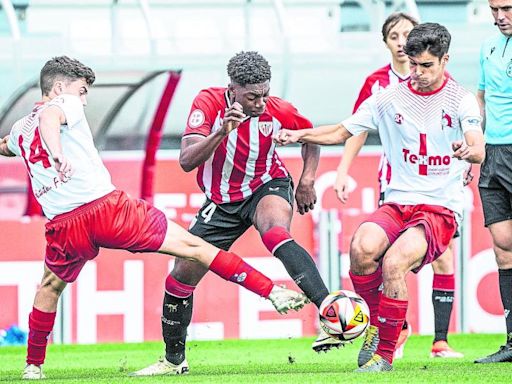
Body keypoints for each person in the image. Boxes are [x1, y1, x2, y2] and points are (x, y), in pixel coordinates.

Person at [0, 56, 309, 380]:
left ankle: (32, 367)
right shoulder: (63, 103)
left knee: (49, 286)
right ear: (60, 87)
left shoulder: (21, 129)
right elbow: (51, 116)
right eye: (82, 91)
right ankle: (271, 291)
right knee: (193, 246)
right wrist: (57, 150)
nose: (84, 99)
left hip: (64, 225)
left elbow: (7, 146)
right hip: (106, 210)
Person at [274, 23, 485, 372]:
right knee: (361, 248)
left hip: (439, 208)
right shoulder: (389, 95)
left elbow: (477, 144)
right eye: (414, 64)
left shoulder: (459, 99)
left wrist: (470, 149)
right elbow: (342, 131)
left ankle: (383, 357)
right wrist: (297, 134)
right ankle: (382, 324)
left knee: (394, 263)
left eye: (427, 66)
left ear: (445, 60)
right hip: (398, 200)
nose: (417, 73)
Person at [131, 51, 334, 376]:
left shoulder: (277, 108)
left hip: (267, 184)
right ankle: (173, 361)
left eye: (265, 94)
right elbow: (186, 161)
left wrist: (308, 178)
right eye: (253, 96)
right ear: (232, 90)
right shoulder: (208, 104)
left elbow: (310, 136)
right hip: (222, 201)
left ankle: (329, 313)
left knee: (275, 233)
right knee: (181, 275)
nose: (261, 103)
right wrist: (222, 131)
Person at [335, 12, 464, 360]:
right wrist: (342, 170)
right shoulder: (378, 85)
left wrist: (466, 160)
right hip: (394, 185)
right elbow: (354, 128)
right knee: (372, 253)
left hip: (436, 192)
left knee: (440, 257)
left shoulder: (443, 82)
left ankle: (439, 340)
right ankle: (388, 326)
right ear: (389, 43)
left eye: (408, 34)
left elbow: (459, 129)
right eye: (396, 36)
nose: (402, 42)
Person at [474, 0, 512, 364]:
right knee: (503, 247)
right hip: (493, 154)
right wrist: (473, 138)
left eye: (507, 8)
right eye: (494, 9)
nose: (500, 17)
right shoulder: (487, 46)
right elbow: (482, 99)